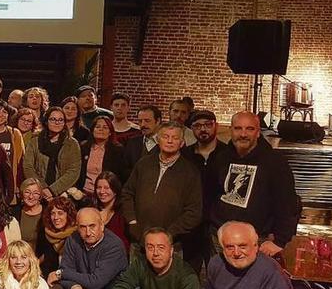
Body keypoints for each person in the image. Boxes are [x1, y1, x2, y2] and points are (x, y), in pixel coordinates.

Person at [208, 111, 299, 257]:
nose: (243, 134)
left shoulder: (275, 162)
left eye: (249, 129)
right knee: (221, 279)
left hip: (256, 241)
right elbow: (210, 194)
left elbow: (287, 204)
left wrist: (280, 241)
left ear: (258, 132)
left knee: (252, 280)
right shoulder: (220, 158)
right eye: (238, 128)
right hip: (220, 237)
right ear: (230, 130)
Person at [119, 122, 201, 250]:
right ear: (158, 140)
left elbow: (194, 211)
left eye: (175, 138)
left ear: (182, 142)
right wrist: (132, 221)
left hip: (170, 243)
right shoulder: (143, 164)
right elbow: (127, 193)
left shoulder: (190, 172)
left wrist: (170, 234)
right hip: (138, 238)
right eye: (165, 136)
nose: (169, 141)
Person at [182, 109, 228, 273]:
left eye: (208, 125)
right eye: (198, 126)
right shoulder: (185, 155)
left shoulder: (228, 154)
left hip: (219, 223)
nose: (203, 129)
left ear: (216, 126)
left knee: (219, 270)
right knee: (188, 271)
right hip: (192, 224)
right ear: (192, 129)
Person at [22, 106, 81, 200]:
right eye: (53, 119)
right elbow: (28, 167)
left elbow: (73, 171)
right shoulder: (34, 142)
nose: (57, 122)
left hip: (63, 194)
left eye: (60, 120)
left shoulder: (72, 144)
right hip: (38, 193)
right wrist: (43, 188)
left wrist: (52, 190)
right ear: (46, 121)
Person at [68, 116, 127, 205]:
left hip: (106, 196)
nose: (101, 130)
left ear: (110, 132)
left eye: (105, 127)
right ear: (92, 130)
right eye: (98, 127)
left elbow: (121, 176)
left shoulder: (118, 150)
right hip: (82, 195)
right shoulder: (83, 147)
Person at [0, 101, 25, 201]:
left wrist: (18, 185)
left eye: (4, 112)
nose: (1, 114)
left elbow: (21, 161)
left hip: (9, 184)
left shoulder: (15, 133)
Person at [37, 196, 77, 281]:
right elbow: (45, 255)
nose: (56, 218)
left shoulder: (76, 236)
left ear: (68, 214)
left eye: (60, 213)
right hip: (47, 277)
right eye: (53, 213)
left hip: (69, 279)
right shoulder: (46, 233)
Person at [92, 171, 130, 251]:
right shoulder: (92, 210)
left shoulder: (124, 212)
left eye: (106, 188)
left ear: (115, 190)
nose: (102, 192)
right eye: (99, 187)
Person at [13, 178, 45, 251]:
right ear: (21, 193)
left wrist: (37, 261)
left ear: (40, 196)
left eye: (36, 193)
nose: (31, 196)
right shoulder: (14, 212)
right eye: (27, 192)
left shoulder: (47, 212)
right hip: (18, 256)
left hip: (42, 259)